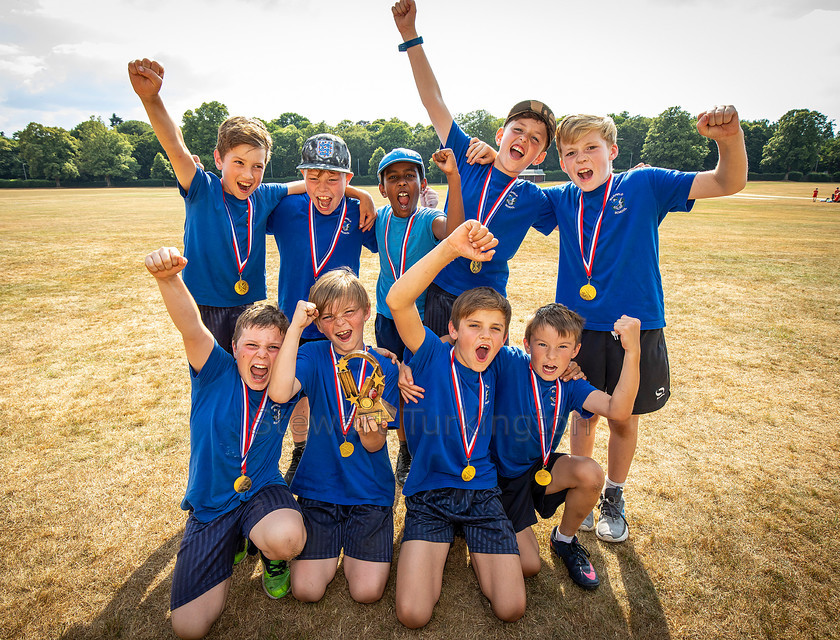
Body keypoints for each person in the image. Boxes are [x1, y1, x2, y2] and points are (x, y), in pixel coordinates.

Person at [128, 59, 374, 354]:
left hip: (260, 310)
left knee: (261, 380)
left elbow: (311, 184)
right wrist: (152, 99)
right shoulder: (204, 189)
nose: (248, 175)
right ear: (218, 160)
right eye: (239, 163)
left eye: (257, 166)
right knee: (215, 379)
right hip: (211, 308)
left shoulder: (264, 195)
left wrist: (359, 194)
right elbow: (175, 148)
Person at [144, 246, 306, 639]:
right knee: (189, 627)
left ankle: (270, 556)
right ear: (234, 348)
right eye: (252, 345)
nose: (262, 357)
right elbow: (192, 326)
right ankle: (233, 537)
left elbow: (341, 364)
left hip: (262, 491)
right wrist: (168, 279)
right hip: (212, 502)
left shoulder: (286, 385)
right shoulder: (214, 369)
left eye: (273, 347)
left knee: (287, 536)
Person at [386, 219, 525, 628]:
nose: (485, 337)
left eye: (495, 329)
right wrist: (450, 247)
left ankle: (473, 541)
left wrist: (568, 367)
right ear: (452, 328)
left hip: (482, 493)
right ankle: (446, 539)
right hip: (431, 492)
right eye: (474, 326)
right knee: (412, 614)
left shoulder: (503, 362)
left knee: (511, 607)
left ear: (504, 338)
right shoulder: (429, 354)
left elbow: (547, 356)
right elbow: (398, 301)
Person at [391, 0, 557, 336]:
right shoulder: (467, 154)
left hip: (488, 305)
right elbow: (433, 100)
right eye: (518, 130)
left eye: (536, 140)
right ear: (501, 134)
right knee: (435, 380)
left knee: (484, 387)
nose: (525, 140)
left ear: (539, 157)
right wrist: (410, 35)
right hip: (442, 294)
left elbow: (587, 203)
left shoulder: (536, 199)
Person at [268, 268, 400, 604]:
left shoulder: (385, 368)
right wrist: (295, 328)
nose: (340, 323)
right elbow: (281, 393)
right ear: (318, 323)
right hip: (320, 487)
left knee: (366, 592)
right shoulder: (313, 357)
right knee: (307, 590)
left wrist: (370, 427)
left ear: (367, 312)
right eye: (327, 316)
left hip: (369, 490)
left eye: (349, 312)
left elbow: (374, 444)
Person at [490, 303, 640, 590]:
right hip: (497, 478)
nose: (550, 355)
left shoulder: (571, 384)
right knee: (528, 566)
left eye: (562, 347)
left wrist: (633, 352)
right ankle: (492, 524)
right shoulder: (510, 362)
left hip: (537, 470)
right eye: (542, 344)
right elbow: (460, 346)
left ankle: (565, 540)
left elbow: (618, 410)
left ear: (575, 351)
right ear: (526, 345)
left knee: (590, 474)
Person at [267, 133, 379, 484]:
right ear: (302, 177)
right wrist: (356, 190)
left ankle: (345, 446)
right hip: (296, 323)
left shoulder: (360, 214)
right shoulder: (285, 209)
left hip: (342, 324)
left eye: (334, 178)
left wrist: (362, 196)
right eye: (313, 177)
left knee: (344, 386)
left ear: (348, 177)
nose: (323, 188)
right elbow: (253, 194)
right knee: (298, 392)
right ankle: (301, 448)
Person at [374, 146, 464, 484]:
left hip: (422, 322)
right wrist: (361, 197)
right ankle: (405, 449)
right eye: (393, 178)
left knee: (420, 386)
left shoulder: (427, 219)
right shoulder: (381, 217)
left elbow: (454, 231)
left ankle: (428, 448)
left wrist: (453, 178)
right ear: (383, 187)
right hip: (386, 319)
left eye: (409, 176)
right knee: (395, 384)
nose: (402, 184)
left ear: (422, 184)